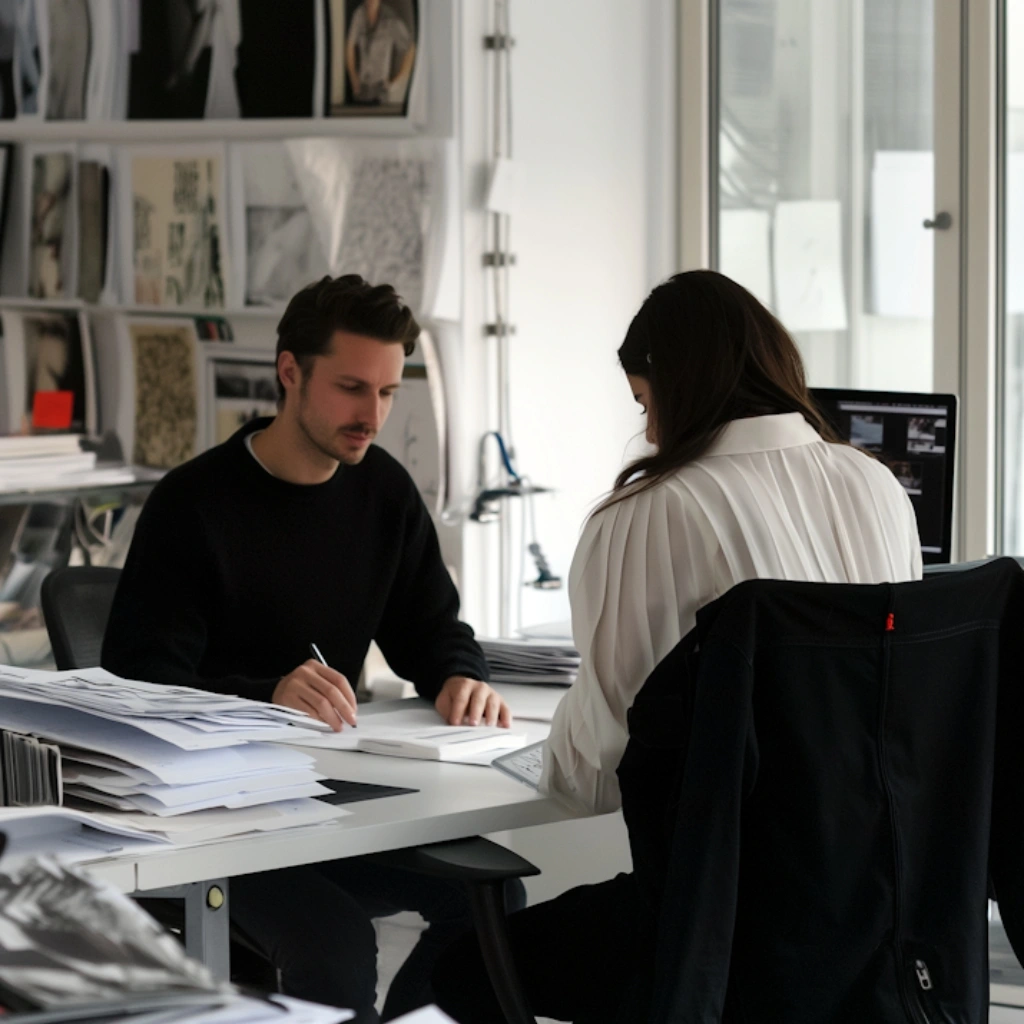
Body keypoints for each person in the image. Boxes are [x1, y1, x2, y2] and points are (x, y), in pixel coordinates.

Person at [432, 269, 923, 1023]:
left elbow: (594, 776)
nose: (651, 429)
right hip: (877, 931)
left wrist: (560, 728)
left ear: (674, 385)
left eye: (643, 401)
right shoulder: (881, 488)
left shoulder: (647, 516)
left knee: (462, 968)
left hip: (718, 936)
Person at [102, 274, 517, 1023]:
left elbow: (432, 629)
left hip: (331, 801)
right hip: (212, 818)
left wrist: (461, 674)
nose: (373, 416)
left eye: (389, 392)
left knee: (492, 900)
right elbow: (141, 682)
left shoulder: (383, 492)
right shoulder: (193, 506)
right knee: (335, 944)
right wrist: (267, 696)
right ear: (289, 372)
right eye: (352, 388)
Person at [345, 0, 416, 107]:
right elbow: (350, 45)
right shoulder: (359, 14)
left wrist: (397, 81)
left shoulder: (391, 19)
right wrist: (353, 77)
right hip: (361, 88)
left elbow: (410, 49)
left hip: (381, 90)